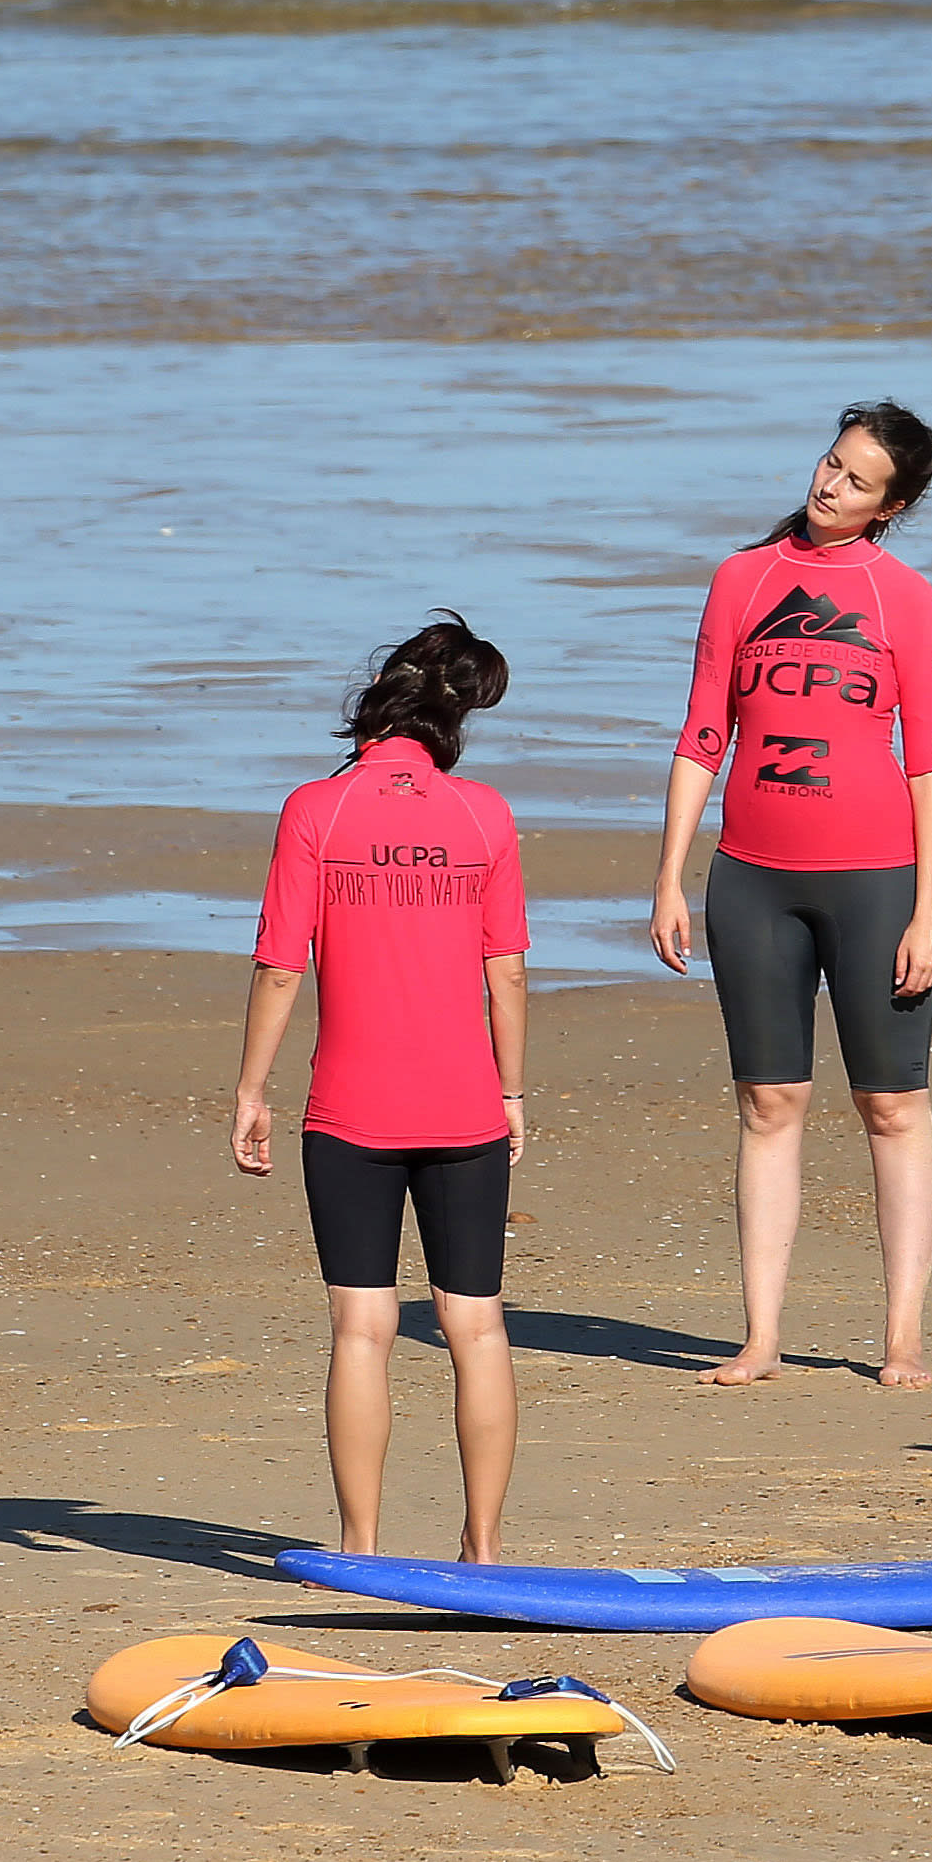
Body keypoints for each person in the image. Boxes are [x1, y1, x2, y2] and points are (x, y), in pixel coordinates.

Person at [646, 401, 932, 1389]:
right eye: (830, 464)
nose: (829, 486)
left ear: (890, 506)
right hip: (753, 878)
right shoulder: (742, 578)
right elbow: (702, 735)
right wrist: (669, 875)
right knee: (768, 1101)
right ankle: (759, 1337)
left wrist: (929, 909)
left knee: (891, 1106)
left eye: (857, 481)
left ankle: (900, 1336)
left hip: (874, 882)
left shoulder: (904, 597)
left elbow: (931, 764)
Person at [229, 616, 531, 1560]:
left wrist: (252, 1089)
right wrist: (512, 1093)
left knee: (363, 1326)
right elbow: (507, 971)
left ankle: (360, 1548)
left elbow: (282, 965)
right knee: (475, 1325)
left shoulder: (318, 810)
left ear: (377, 708)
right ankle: (482, 1549)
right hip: (466, 1103)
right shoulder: (484, 814)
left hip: (351, 1109)